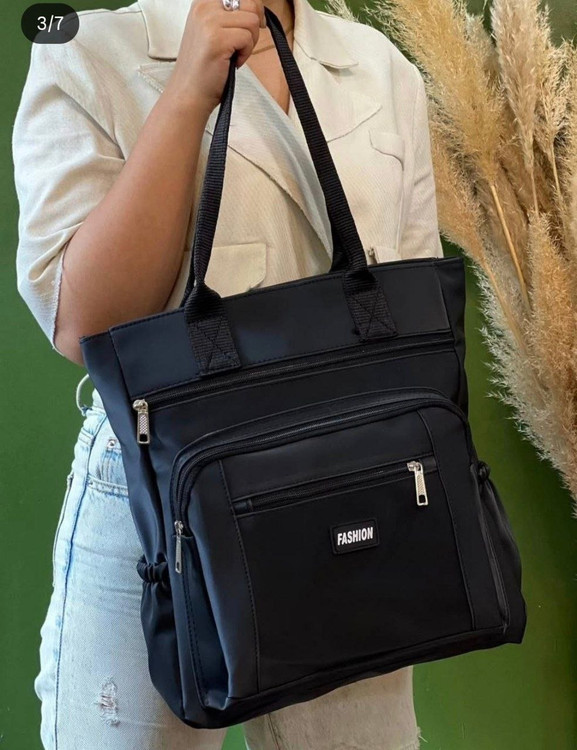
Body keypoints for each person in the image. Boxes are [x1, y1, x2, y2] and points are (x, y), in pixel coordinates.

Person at [12, 0, 443, 746]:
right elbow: (85, 326)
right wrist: (186, 93)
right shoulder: (91, 51)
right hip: (160, 503)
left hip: (350, 491)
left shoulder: (378, 65)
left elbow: (414, 310)